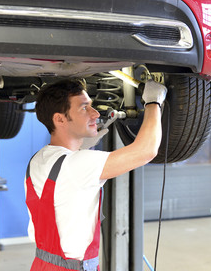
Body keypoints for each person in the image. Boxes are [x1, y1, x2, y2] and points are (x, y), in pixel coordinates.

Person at [25, 78, 167, 271]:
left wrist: (83, 141)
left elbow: (66, 170)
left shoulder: (38, 159)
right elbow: (146, 151)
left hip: (43, 264)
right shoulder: (79, 165)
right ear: (59, 119)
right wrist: (153, 102)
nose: (95, 113)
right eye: (84, 108)